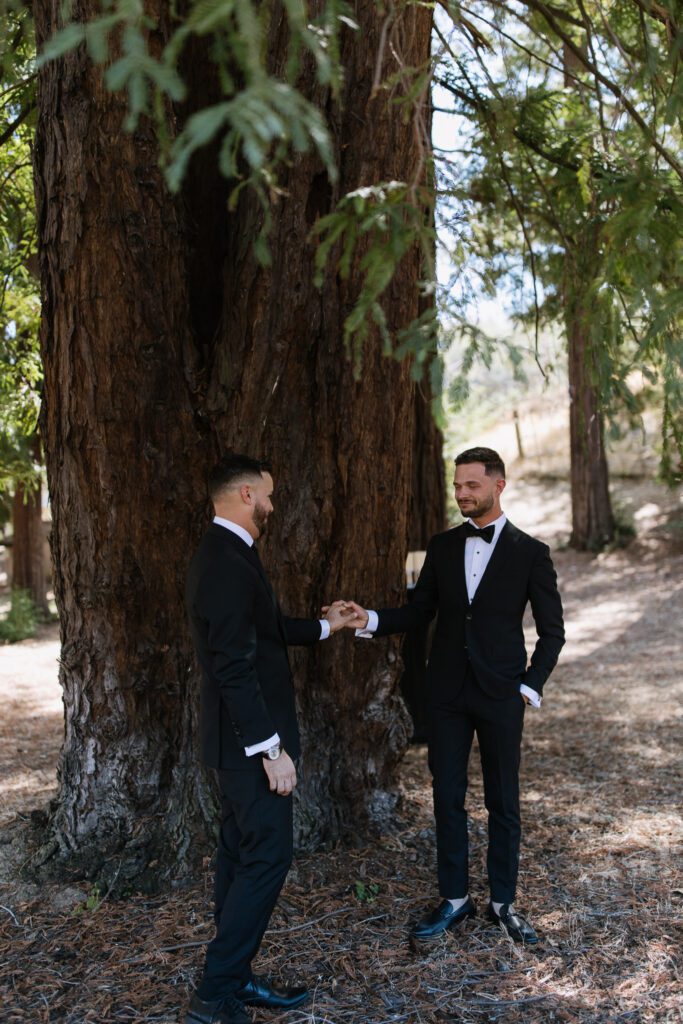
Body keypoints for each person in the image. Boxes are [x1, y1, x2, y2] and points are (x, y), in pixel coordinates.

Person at [342, 447, 565, 944]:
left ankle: (503, 902)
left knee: (504, 801)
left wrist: (529, 686)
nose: (462, 493)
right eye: (457, 485)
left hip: (501, 694)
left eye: (472, 485)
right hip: (445, 694)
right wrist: (371, 620)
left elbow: (553, 632)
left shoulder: (532, 553)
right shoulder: (441, 546)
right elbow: (420, 610)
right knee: (447, 797)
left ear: (498, 486)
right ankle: (455, 898)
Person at [184, 454, 350, 1024]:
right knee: (267, 859)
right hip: (248, 749)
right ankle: (214, 994)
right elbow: (233, 666)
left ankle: (236, 978)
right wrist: (271, 750)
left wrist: (332, 625)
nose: (274, 506)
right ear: (247, 494)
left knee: (238, 856)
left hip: (236, 747)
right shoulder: (227, 560)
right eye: (270, 496)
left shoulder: (231, 552)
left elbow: (269, 632)